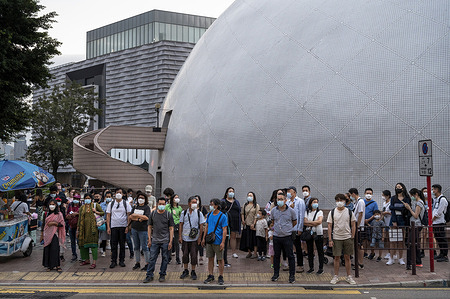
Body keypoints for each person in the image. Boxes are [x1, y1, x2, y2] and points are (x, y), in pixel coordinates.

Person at [143, 197, 174, 283]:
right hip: (155, 241)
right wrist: (149, 239)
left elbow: (171, 228)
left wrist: (170, 241)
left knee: (165, 258)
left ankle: (162, 274)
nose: (161, 206)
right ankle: (149, 275)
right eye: (160, 204)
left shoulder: (168, 215)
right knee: (152, 258)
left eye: (163, 204)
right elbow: (149, 227)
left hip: (165, 241)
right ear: (157, 204)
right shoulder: (153, 214)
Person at [327, 193, 356, 285]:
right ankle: (336, 276)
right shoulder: (332, 212)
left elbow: (353, 224)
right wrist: (330, 239)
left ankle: (349, 276)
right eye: (337, 200)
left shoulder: (349, 211)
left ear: (345, 201)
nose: (339, 202)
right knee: (336, 257)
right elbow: (329, 226)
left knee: (347, 257)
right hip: (336, 238)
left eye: (341, 200)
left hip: (347, 237)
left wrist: (352, 236)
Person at [270, 190, 297, 284]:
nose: (279, 201)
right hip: (277, 237)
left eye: (281, 199)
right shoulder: (273, 211)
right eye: (278, 199)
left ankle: (292, 276)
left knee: (290, 256)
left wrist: (287, 229)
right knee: (277, 256)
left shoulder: (291, 211)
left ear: (285, 200)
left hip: (287, 237)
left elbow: (294, 222)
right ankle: (276, 274)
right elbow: (272, 222)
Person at [202, 198, 228, 285]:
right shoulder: (209, 215)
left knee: (220, 259)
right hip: (210, 241)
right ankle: (210, 275)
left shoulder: (223, 216)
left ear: (217, 206)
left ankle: (220, 276)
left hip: (218, 241)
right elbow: (207, 226)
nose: (210, 206)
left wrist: (223, 242)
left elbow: (225, 230)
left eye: (212, 204)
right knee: (210, 258)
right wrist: (203, 238)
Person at [179, 196, 205, 280]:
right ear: (189, 203)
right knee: (185, 254)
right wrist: (180, 236)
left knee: (194, 255)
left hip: (194, 238)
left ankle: (193, 271)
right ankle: (185, 270)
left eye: (195, 202)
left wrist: (200, 237)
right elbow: (181, 224)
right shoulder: (184, 212)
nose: (194, 204)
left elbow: (201, 226)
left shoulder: (199, 213)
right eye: (193, 202)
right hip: (185, 238)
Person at [106, 188, 132, 268]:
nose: (118, 194)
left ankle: (121, 260)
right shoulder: (111, 204)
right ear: (115, 194)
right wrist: (108, 227)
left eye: (120, 193)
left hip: (123, 226)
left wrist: (128, 226)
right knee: (113, 245)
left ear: (122, 194)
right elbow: (108, 215)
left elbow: (129, 215)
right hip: (114, 226)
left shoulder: (126, 203)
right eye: (117, 192)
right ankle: (113, 261)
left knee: (122, 244)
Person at [77, 194, 104, 269]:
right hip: (83, 230)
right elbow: (79, 219)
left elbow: (102, 213)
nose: (87, 200)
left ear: (91, 199)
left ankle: (94, 262)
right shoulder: (82, 207)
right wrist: (78, 230)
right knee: (83, 245)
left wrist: (96, 212)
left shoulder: (96, 205)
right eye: (86, 198)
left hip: (93, 229)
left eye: (88, 198)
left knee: (93, 245)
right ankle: (86, 260)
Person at [387, 182, 410, 265]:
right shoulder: (393, 198)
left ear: (403, 188)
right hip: (394, 219)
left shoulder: (407, 198)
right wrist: (394, 221)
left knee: (401, 240)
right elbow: (391, 208)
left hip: (403, 220)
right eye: (396, 187)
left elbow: (406, 209)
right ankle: (391, 258)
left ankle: (400, 258)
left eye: (399, 187)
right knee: (393, 240)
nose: (398, 188)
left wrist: (397, 207)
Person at [41, 199, 66, 272]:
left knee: (55, 249)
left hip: (55, 233)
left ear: (56, 205)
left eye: (53, 204)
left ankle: (57, 265)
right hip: (47, 234)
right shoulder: (46, 214)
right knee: (47, 249)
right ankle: (49, 265)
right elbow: (43, 224)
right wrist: (42, 234)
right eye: (50, 204)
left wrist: (54, 224)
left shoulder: (59, 214)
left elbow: (62, 224)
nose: (52, 206)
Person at [403, 188, 425, 269]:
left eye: (412, 195)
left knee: (410, 243)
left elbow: (416, 215)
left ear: (416, 194)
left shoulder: (419, 203)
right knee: (415, 244)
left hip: (416, 225)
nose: (411, 197)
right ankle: (418, 261)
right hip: (414, 225)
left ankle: (410, 263)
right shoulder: (417, 202)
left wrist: (409, 208)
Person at [130, 193, 151, 271]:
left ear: (145, 199)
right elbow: (131, 216)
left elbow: (146, 217)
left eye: (142, 198)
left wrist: (137, 216)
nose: (140, 199)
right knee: (136, 247)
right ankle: (137, 262)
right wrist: (139, 218)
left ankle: (147, 263)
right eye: (139, 198)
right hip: (134, 229)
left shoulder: (147, 208)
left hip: (143, 230)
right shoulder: (135, 206)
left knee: (145, 247)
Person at [304, 198, 324, 275]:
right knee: (310, 251)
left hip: (318, 233)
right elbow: (304, 222)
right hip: (309, 233)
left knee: (320, 251)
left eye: (317, 202)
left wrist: (309, 223)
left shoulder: (320, 212)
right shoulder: (307, 212)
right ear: (310, 203)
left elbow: (319, 221)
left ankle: (321, 268)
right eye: (314, 202)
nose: (315, 203)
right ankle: (311, 267)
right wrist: (314, 223)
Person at [289, 186, 306, 273]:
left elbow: (301, 215)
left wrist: (300, 228)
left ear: (294, 192)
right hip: (288, 229)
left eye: (290, 191)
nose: (289, 193)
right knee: (288, 247)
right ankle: (290, 264)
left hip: (296, 229)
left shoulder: (300, 201)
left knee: (298, 247)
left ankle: (300, 265)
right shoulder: (287, 202)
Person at [222, 187, 241, 259]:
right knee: (225, 236)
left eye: (232, 191)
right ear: (226, 193)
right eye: (230, 191)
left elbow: (239, 211)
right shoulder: (223, 201)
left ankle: (234, 252)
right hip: (226, 221)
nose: (231, 192)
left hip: (235, 221)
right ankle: (224, 251)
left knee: (233, 236)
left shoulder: (236, 202)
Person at [240, 192, 260, 259]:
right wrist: (243, 220)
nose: (249, 197)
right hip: (246, 224)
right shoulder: (245, 205)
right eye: (248, 195)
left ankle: (255, 253)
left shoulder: (256, 205)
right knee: (247, 238)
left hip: (253, 224)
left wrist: (253, 224)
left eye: (251, 195)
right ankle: (249, 252)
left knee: (254, 239)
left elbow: (256, 215)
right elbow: (242, 213)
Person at [431, 184, 448, 262]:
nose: (432, 191)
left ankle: (445, 255)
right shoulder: (436, 199)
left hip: (440, 222)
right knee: (438, 238)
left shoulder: (443, 199)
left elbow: (439, 212)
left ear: (437, 190)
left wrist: (432, 219)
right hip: (435, 222)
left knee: (442, 238)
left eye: (433, 189)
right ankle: (441, 253)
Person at [349, 188, 365, 270]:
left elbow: (360, 214)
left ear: (353, 194)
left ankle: (360, 263)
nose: (350, 197)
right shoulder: (356, 202)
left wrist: (357, 225)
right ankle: (357, 262)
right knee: (357, 245)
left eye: (350, 195)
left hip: (359, 228)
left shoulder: (361, 202)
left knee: (359, 245)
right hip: (355, 227)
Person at [166, 194, 183, 264]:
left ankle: (177, 258)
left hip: (176, 226)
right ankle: (169, 257)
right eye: (175, 197)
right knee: (169, 241)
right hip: (169, 226)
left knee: (176, 242)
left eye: (177, 197)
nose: (177, 199)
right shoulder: (167, 207)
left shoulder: (179, 208)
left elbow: (181, 217)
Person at [363, 188, 379, 260]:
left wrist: (368, 220)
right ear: (364, 194)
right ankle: (364, 252)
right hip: (362, 223)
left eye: (370, 193)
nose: (368, 195)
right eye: (367, 193)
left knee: (371, 239)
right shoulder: (362, 202)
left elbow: (376, 213)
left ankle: (372, 253)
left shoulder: (374, 203)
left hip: (371, 223)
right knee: (364, 239)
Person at [66, 193, 81, 262]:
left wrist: (77, 213)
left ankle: (81, 254)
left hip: (79, 225)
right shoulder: (70, 205)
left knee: (79, 241)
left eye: (77, 199)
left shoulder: (81, 206)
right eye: (75, 198)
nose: (76, 200)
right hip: (71, 224)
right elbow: (67, 214)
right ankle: (74, 254)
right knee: (72, 241)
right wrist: (69, 215)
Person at [195, 195, 208, 265]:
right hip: (193, 228)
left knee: (200, 243)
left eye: (197, 199)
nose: (196, 201)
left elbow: (207, 216)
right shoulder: (192, 208)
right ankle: (194, 256)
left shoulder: (202, 208)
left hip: (201, 228)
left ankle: (201, 256)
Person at [99, 191, 112, 257]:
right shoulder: (101, 205)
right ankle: (103, 251)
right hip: (104, 223)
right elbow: (100, 213)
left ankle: (112, 251)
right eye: (107, 197)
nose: (108, 198)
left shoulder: (114, 204)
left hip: (112, 223)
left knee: (112, 238)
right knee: (104, 238)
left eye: (109, 197)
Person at [381, 190, 392, 260]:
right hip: (385, 222)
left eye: (383, 195)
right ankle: (389, 252)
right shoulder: (384, 203)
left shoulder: (391, 203)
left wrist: (387, 212)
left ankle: (392, 253)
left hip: (390, 221)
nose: (383, 197)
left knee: (391, 238)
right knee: (387, 238)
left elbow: (392, 213)